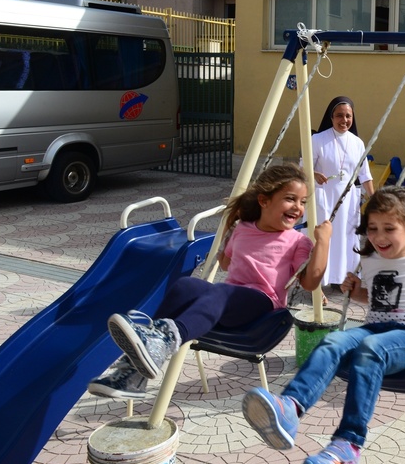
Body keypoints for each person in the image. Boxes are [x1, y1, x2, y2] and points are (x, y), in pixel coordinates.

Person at [240, 186, 405, 464]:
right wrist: (355, 291)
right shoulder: (371, 259)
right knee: (332, 340)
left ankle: (348, 447)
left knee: (371, 348)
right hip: (374, 328)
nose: (379, 237)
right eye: (372, 228)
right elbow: (375, 300)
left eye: (389, 229)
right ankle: (291, 408)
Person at [87, 163, 331, 399]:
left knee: (220, 293)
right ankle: (133, 372)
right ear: (264, 200)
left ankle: (165, 340)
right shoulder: (243, 228)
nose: (298, 208)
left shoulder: (298, 241)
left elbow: (310, 282)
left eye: (303, 202)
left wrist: (324, 242)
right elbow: (226, 264)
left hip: (263, 307)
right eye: (290, 199)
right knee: (185, 285)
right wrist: (228, 228)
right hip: (229, 300)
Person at [308, 96, 375, 288]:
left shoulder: (357, 143)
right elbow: (303, 168)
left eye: (348, 116)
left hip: (348, 202)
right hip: (324, 199)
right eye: (339, 116)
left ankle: (342, 279)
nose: (344, 120)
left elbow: (365, 175)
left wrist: (376, 200)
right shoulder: (318, 139)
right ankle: (319, 281)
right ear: (331, 117)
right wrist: (313, 173)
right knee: (324, 239)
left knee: (346, 240)